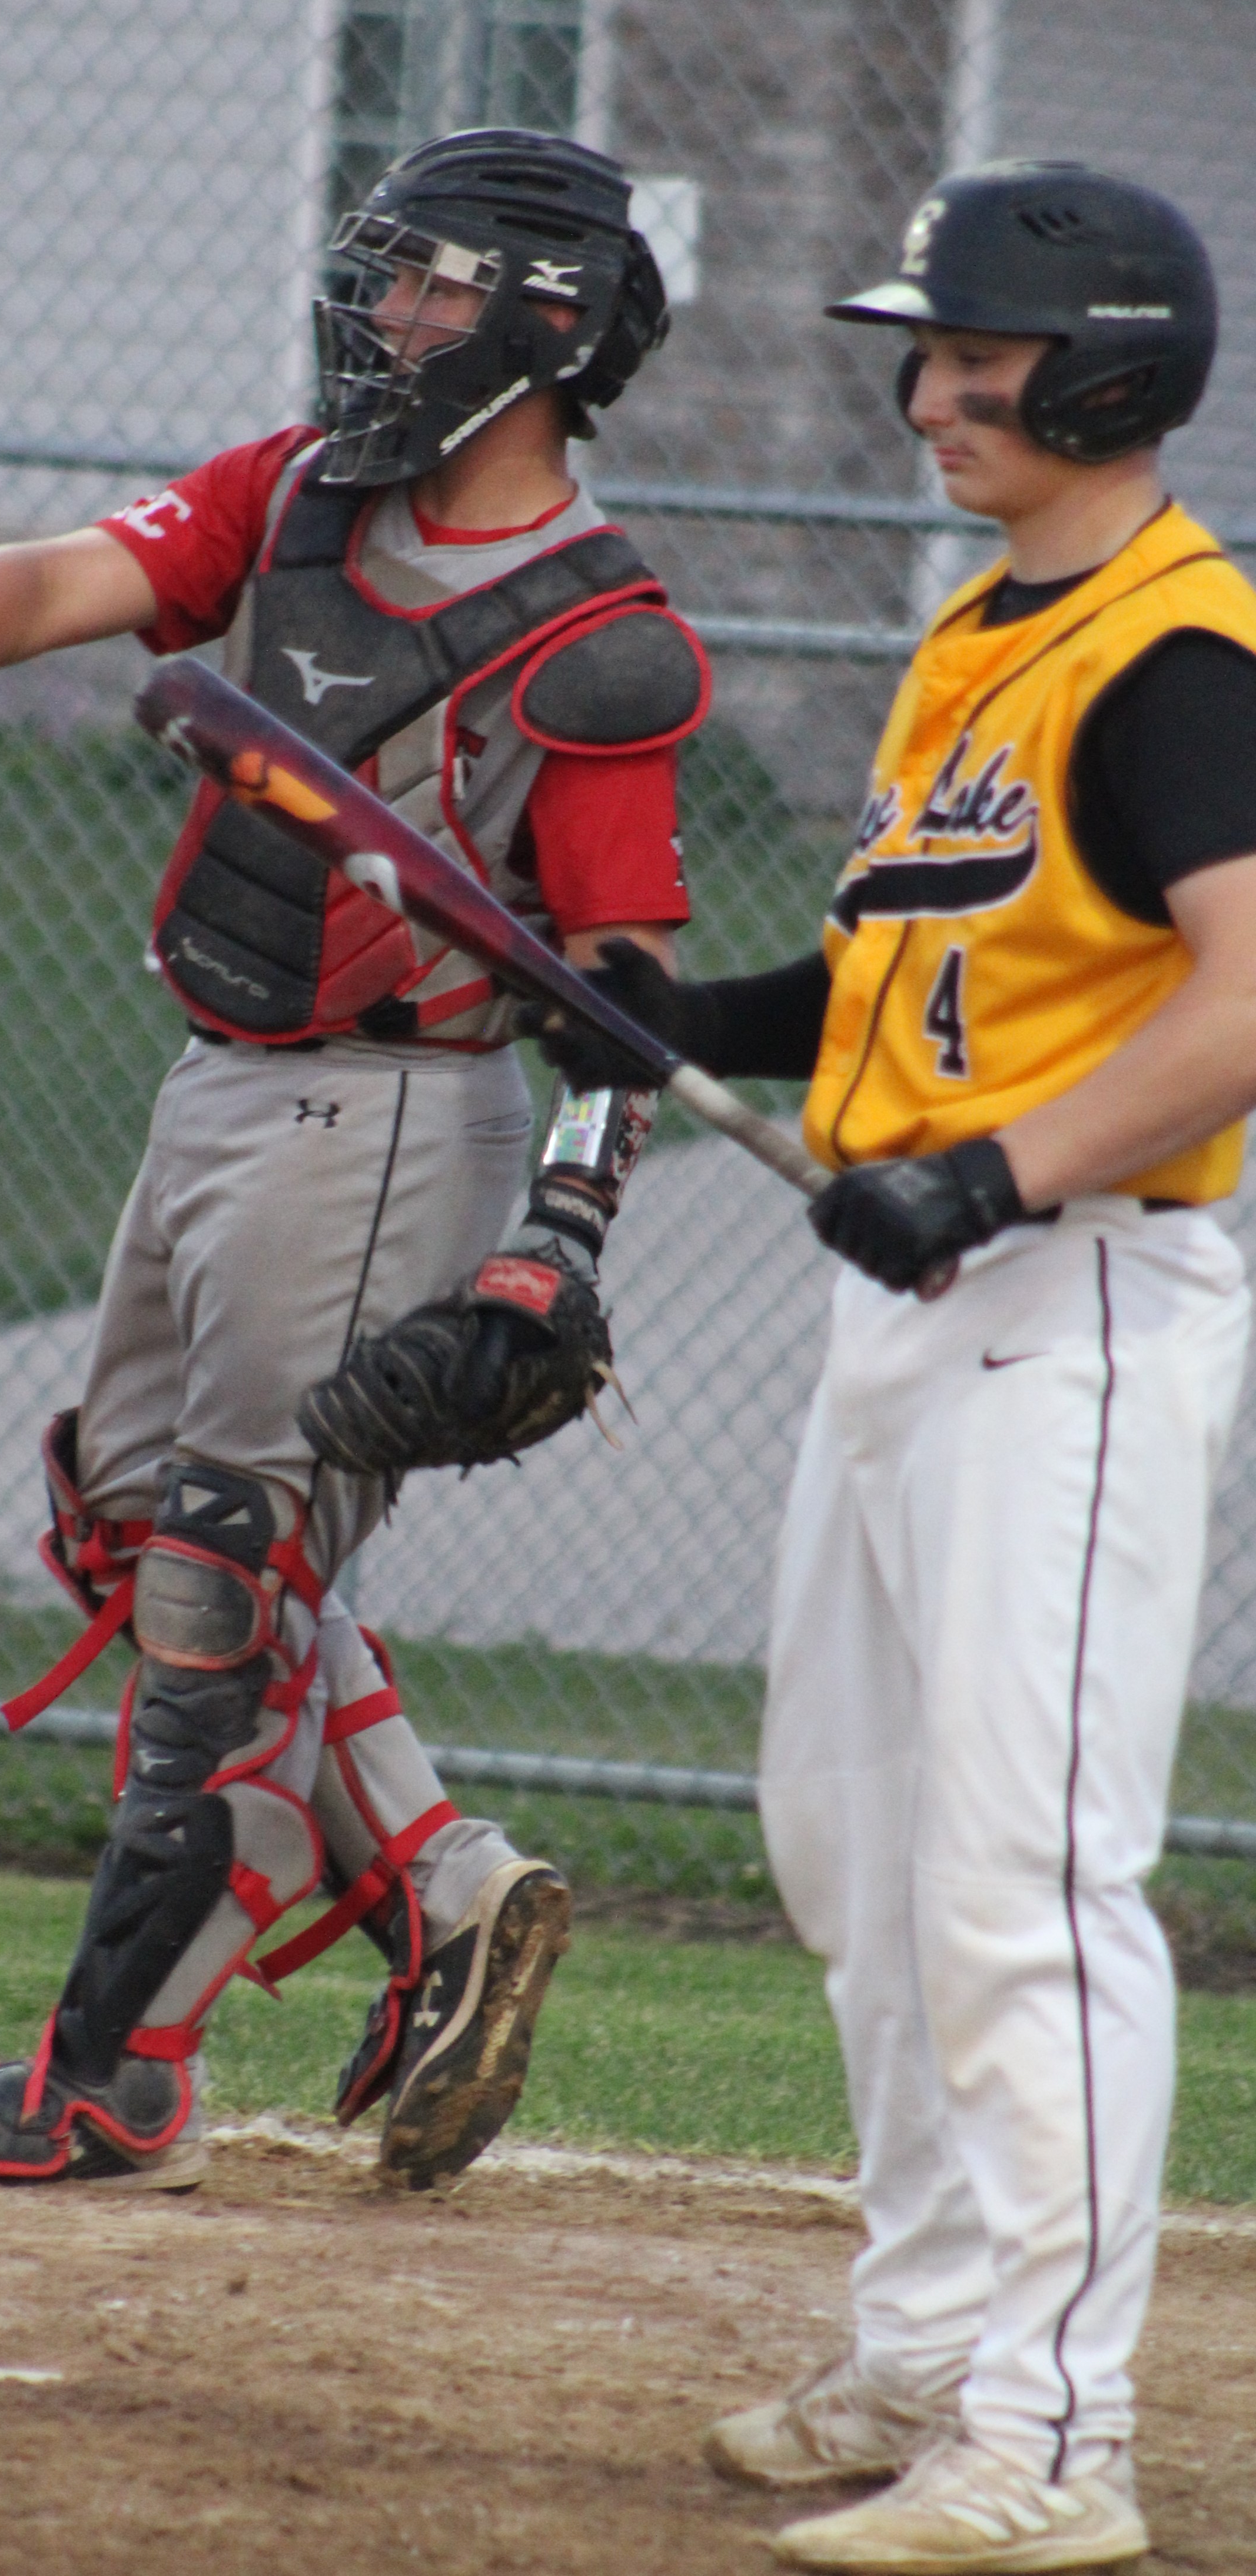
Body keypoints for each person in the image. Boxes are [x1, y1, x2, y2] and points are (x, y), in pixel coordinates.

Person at [0, 128, 707, 2192]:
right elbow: (50, 583)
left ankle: (118, 2075)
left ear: (541, 327)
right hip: (215, 1080)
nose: (386, 320)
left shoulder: (598, 632)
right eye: (387, 278)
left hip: (388, 1110)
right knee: (139, 1523)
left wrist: (562, 1228)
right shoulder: (293, 491)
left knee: (221, 1570)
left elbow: (620, 987)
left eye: (433, 287)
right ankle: (446, 1886)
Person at [531, 161, 1256, 2571]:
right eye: (924, 348)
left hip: (1064, 1309)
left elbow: (1243, 1006)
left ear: (1118, 369)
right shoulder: (984, 639)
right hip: (917, 1310)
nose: (927, 387)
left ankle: (1053, 2442)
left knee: (1025, 1877)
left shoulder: (1178, 652)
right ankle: (939, 2347)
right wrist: (670, 1019)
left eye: (978, 351)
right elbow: (901, 982)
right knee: (852, 1841)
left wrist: (988, 1178)